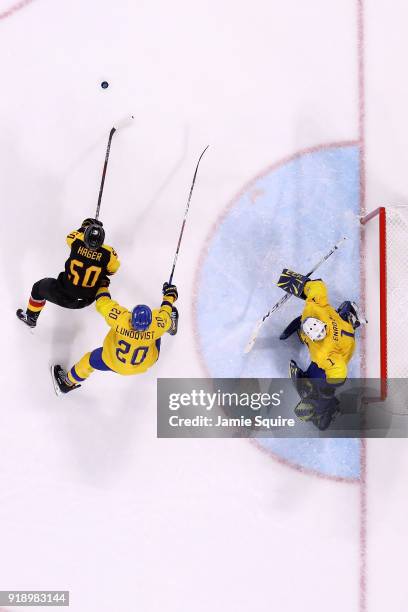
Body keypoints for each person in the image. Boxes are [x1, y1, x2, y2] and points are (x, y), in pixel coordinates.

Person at [51, 282, 179, 395]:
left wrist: (102, 285)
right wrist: (169, 296)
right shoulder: (156, 325)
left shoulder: (121, 320)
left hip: (113, 361)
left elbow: (102, 302)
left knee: (89, 360)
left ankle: (67, 383)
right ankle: (170, 327)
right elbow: (165, 311)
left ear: (131, 317)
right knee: (162, 325)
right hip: (142, 364)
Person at [277, 270, 363, 430]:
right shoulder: (318, 309)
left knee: (319, 382)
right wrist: (326, 391)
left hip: (337, 348)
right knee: (321, 381)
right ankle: (349, 317)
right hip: (338, 339)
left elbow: (339, 372)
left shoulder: (315, 310)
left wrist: (324, 392)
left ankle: (321, 409)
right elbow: (317, 286)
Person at [16, 218, 120, 328]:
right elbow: (112, 271)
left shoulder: (76, 240)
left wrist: (86, 226)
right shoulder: (109, 253)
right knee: (103, 274)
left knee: (38, 288)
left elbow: (71, 236)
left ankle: (31, 317)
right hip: (87, 299)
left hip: (64, 294)